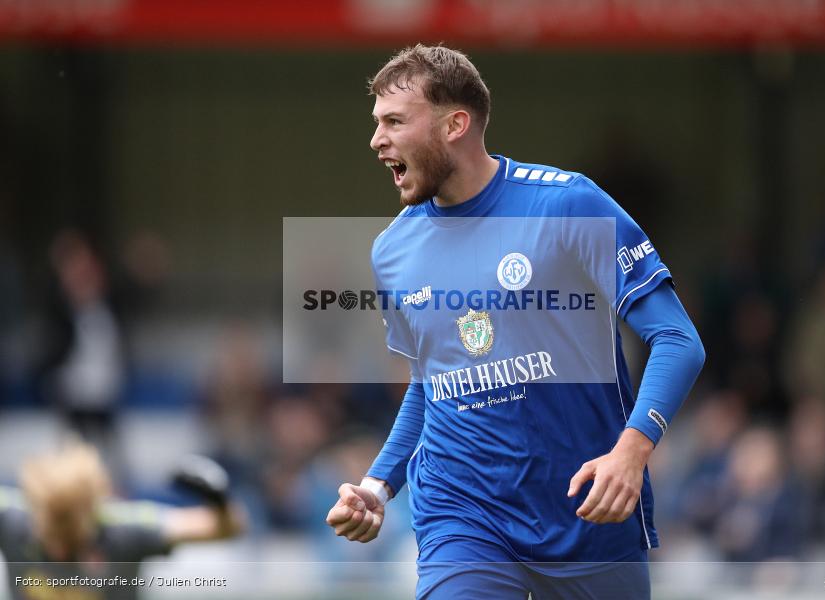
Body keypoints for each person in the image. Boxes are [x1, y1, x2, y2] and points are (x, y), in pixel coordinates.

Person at [325, 44, 705, 599]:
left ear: (454, 125)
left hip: (585, 508)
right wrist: (378, 487)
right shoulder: (393, 250)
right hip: (462, 513)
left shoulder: (568, 206)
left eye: (395, 122)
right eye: (377, 122)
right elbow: (431, 385)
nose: (376, 139)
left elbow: (677, 340)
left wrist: (633, 450)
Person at [0, 442, 243, 600]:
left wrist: (219, 500)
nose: (59, 550)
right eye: (51, 535)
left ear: (93, 510)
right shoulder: (11, 519)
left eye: (70, 535)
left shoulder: (126, 529)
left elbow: (225, 528)